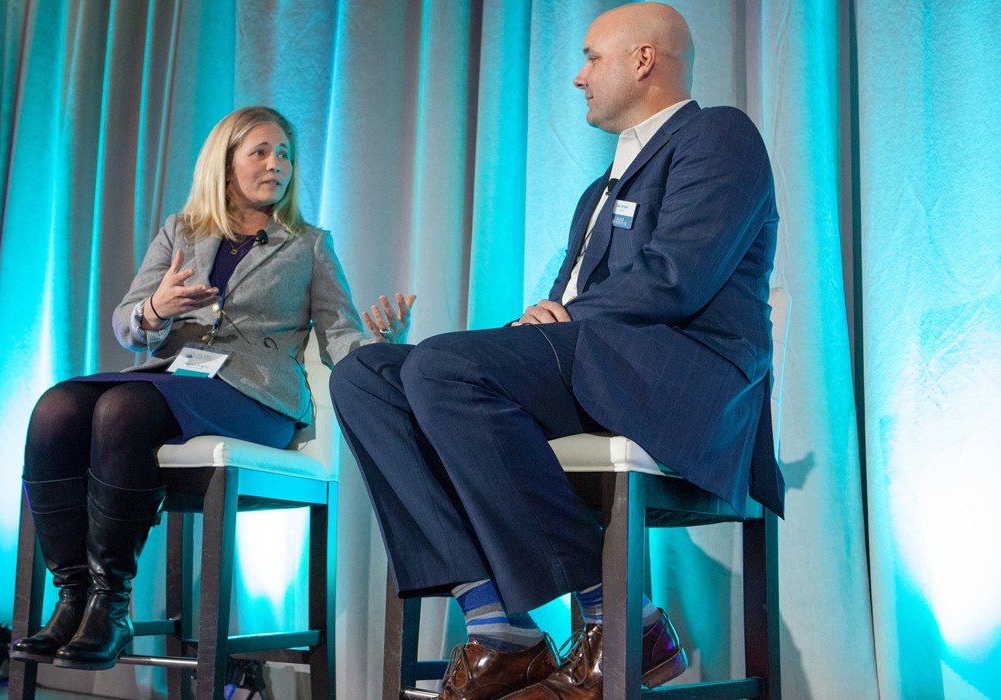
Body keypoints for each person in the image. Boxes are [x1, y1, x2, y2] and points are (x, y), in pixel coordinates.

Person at [329, 3, 782, 699]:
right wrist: (536, 326)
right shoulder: (596, 191)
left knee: (445, 365)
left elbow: (677, 277)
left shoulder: (720, 135)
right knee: (366, 375)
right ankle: (499, 627)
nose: (577, 77)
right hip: (599, 364)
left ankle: (623, 618)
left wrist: (559, 319)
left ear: (642, 60)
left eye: (593, 57)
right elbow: (564, 311)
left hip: (682, 379)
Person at [8, 106, 415, 671]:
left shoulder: (309, 245)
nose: (277, 165)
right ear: (225, 165)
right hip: (178, 380)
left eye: (285, 155)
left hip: (257, 397)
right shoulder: (182, 231)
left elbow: (340, 337)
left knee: (123, 409)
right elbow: (127, 322)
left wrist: (381, 344)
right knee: (56, 407)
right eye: (262, 152)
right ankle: (73, 596)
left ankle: (112, 604)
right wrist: (158, 308)